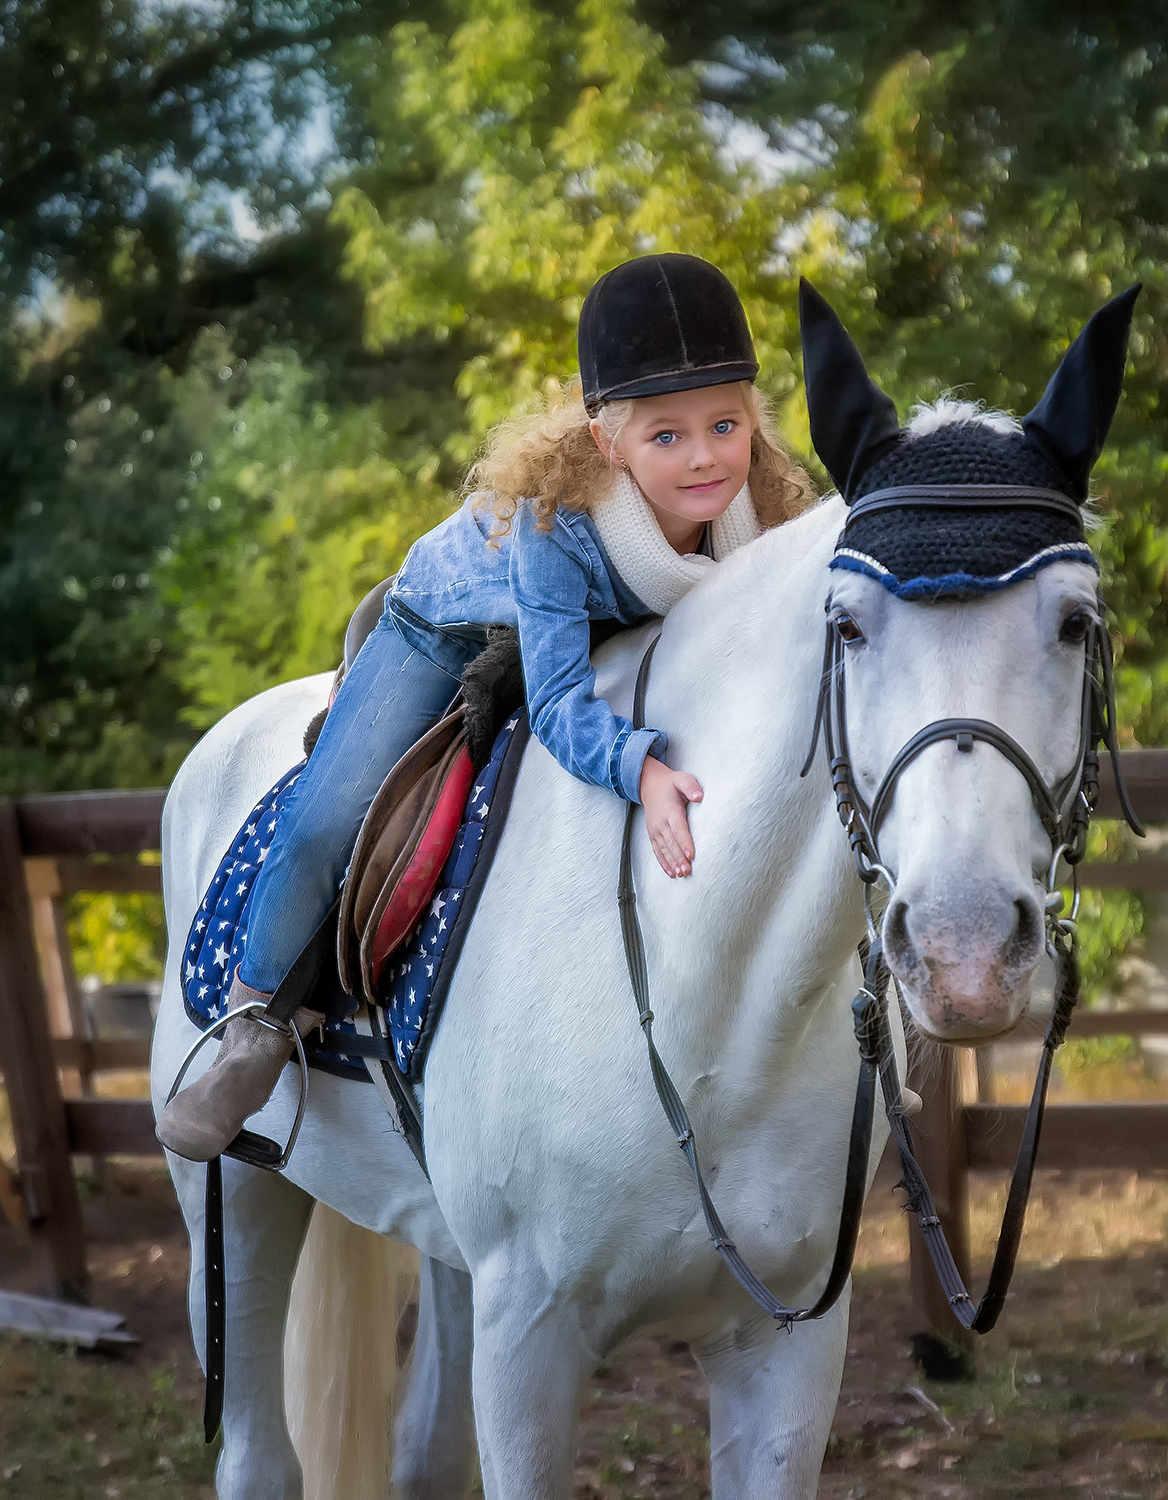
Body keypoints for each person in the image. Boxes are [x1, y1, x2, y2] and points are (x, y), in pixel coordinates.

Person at [157, 254, 819, 1161]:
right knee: (325, 817)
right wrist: (643, 767)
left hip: (591, 630)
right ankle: (256, 1028)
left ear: (754, 419)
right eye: (666, 436)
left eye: (724, 424)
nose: (705, 456)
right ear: (607, 442)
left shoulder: (770, 510)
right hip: (450, 629)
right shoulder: (554, 521)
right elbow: (553, 701)